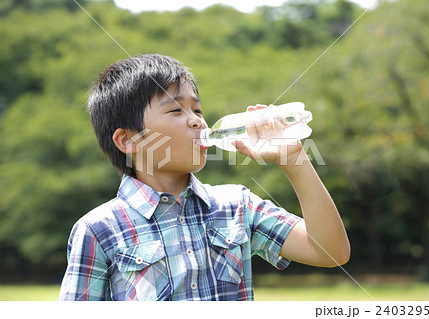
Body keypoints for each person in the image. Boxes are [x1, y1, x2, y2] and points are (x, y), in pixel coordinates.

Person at [57, 54, 350, 301]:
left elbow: (330, 252)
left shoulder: (237, 205)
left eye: (197, 109)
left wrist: (294, 159)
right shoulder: (98, 230)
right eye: (175, 109)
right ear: (128, 140)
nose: (197, 120)